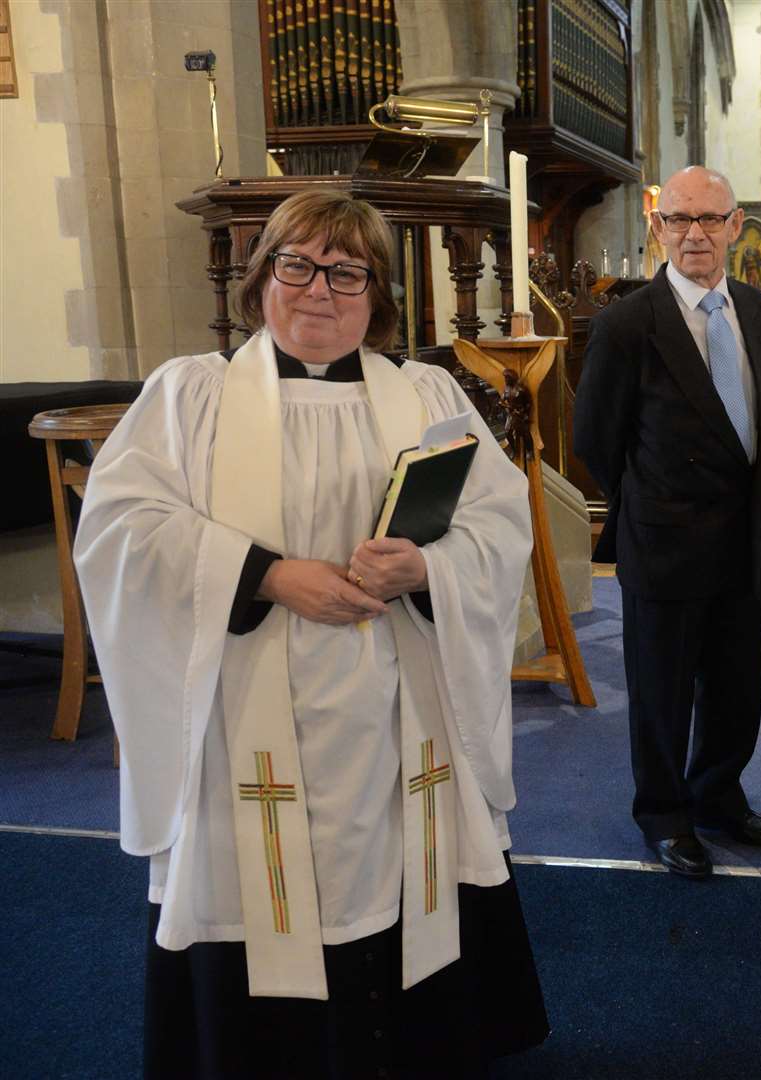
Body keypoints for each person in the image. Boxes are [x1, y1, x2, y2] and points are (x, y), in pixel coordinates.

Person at [74, 189, 547, 1077]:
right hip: (247, 708)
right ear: (262, 283)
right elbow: (121, 527)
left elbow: (498, 521)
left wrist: (426, 569)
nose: (319, 290)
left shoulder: (428, 394)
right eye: (297, 265)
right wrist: (267, 574)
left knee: (401, 878)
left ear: (377, 296)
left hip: (399, 710)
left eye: (346, 272)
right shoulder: (191, 396)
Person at [574, 166, 761, 879]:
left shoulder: (756, 307)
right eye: (679, 220)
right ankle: (664, 813)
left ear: (736, 224)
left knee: (735, 685)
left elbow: (758, 418)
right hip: (665, 541)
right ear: (658, 228)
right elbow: (596, 439)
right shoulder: (626, 322)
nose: (695, 234)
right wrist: (653, 505)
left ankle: (718, 793)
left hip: (742, 538)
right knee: (662, 694)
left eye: (709, 219)